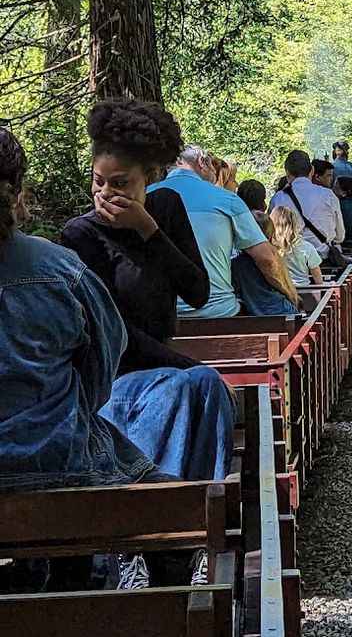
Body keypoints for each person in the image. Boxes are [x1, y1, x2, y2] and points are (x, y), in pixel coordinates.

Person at [61, 103, 233, 590]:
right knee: (196, 385)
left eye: (121, 184)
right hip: (112, 378)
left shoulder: (167, 211)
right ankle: (157, 540)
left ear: (148, 180)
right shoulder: (79, 235)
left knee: (202, 389)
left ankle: (183, 540)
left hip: (165, 371)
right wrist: (188, 367)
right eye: (99, 182)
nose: (106, 193)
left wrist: (149, 231)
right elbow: (109, 331)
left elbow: (198, 290)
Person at [0, 126, 155, 495]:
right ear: (17, 194)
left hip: (53, 463)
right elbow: (105, 359)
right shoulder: (61, 270)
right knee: (169, 497)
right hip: (56, 463)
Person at [149, 144, 286, 319]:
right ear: (201, 162)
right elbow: (266, 258)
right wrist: (288, 294)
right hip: (218, 311)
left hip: (162, 314)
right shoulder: (226, 199)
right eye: (211, 164)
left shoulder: (145, 196)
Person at [269, 149, 345, 260]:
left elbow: (271, 233)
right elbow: (339, 236)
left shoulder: (278, 198)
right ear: (312, 170)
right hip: (324, 259)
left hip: (291, 262)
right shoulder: (328, 195)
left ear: (287, 172)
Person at [232, 211, 301, 315]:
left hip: (255, 314)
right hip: (283, 310)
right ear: (270, 235)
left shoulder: (236, 263)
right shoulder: (274, 255)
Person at [270, 205, 324, 287]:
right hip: (303, 290)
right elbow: (316, 274)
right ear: (294, 223)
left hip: (280, 290)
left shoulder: (270, 247)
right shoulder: (306, 247)